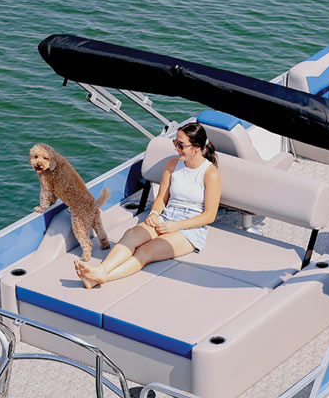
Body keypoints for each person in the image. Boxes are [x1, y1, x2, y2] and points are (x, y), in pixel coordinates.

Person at [76, 122, 222, 288]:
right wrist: (154, 214)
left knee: (145, 251)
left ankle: (101, 278)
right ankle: (100, 270)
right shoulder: (172, 165)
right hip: (167, 216)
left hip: (191, 228)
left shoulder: (210, 173)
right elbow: (161, 198)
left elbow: (210, 215)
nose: (176, 148)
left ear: (196, 147)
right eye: (175, 143)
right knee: (131, 234)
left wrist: (176, 226)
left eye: (181, 145)